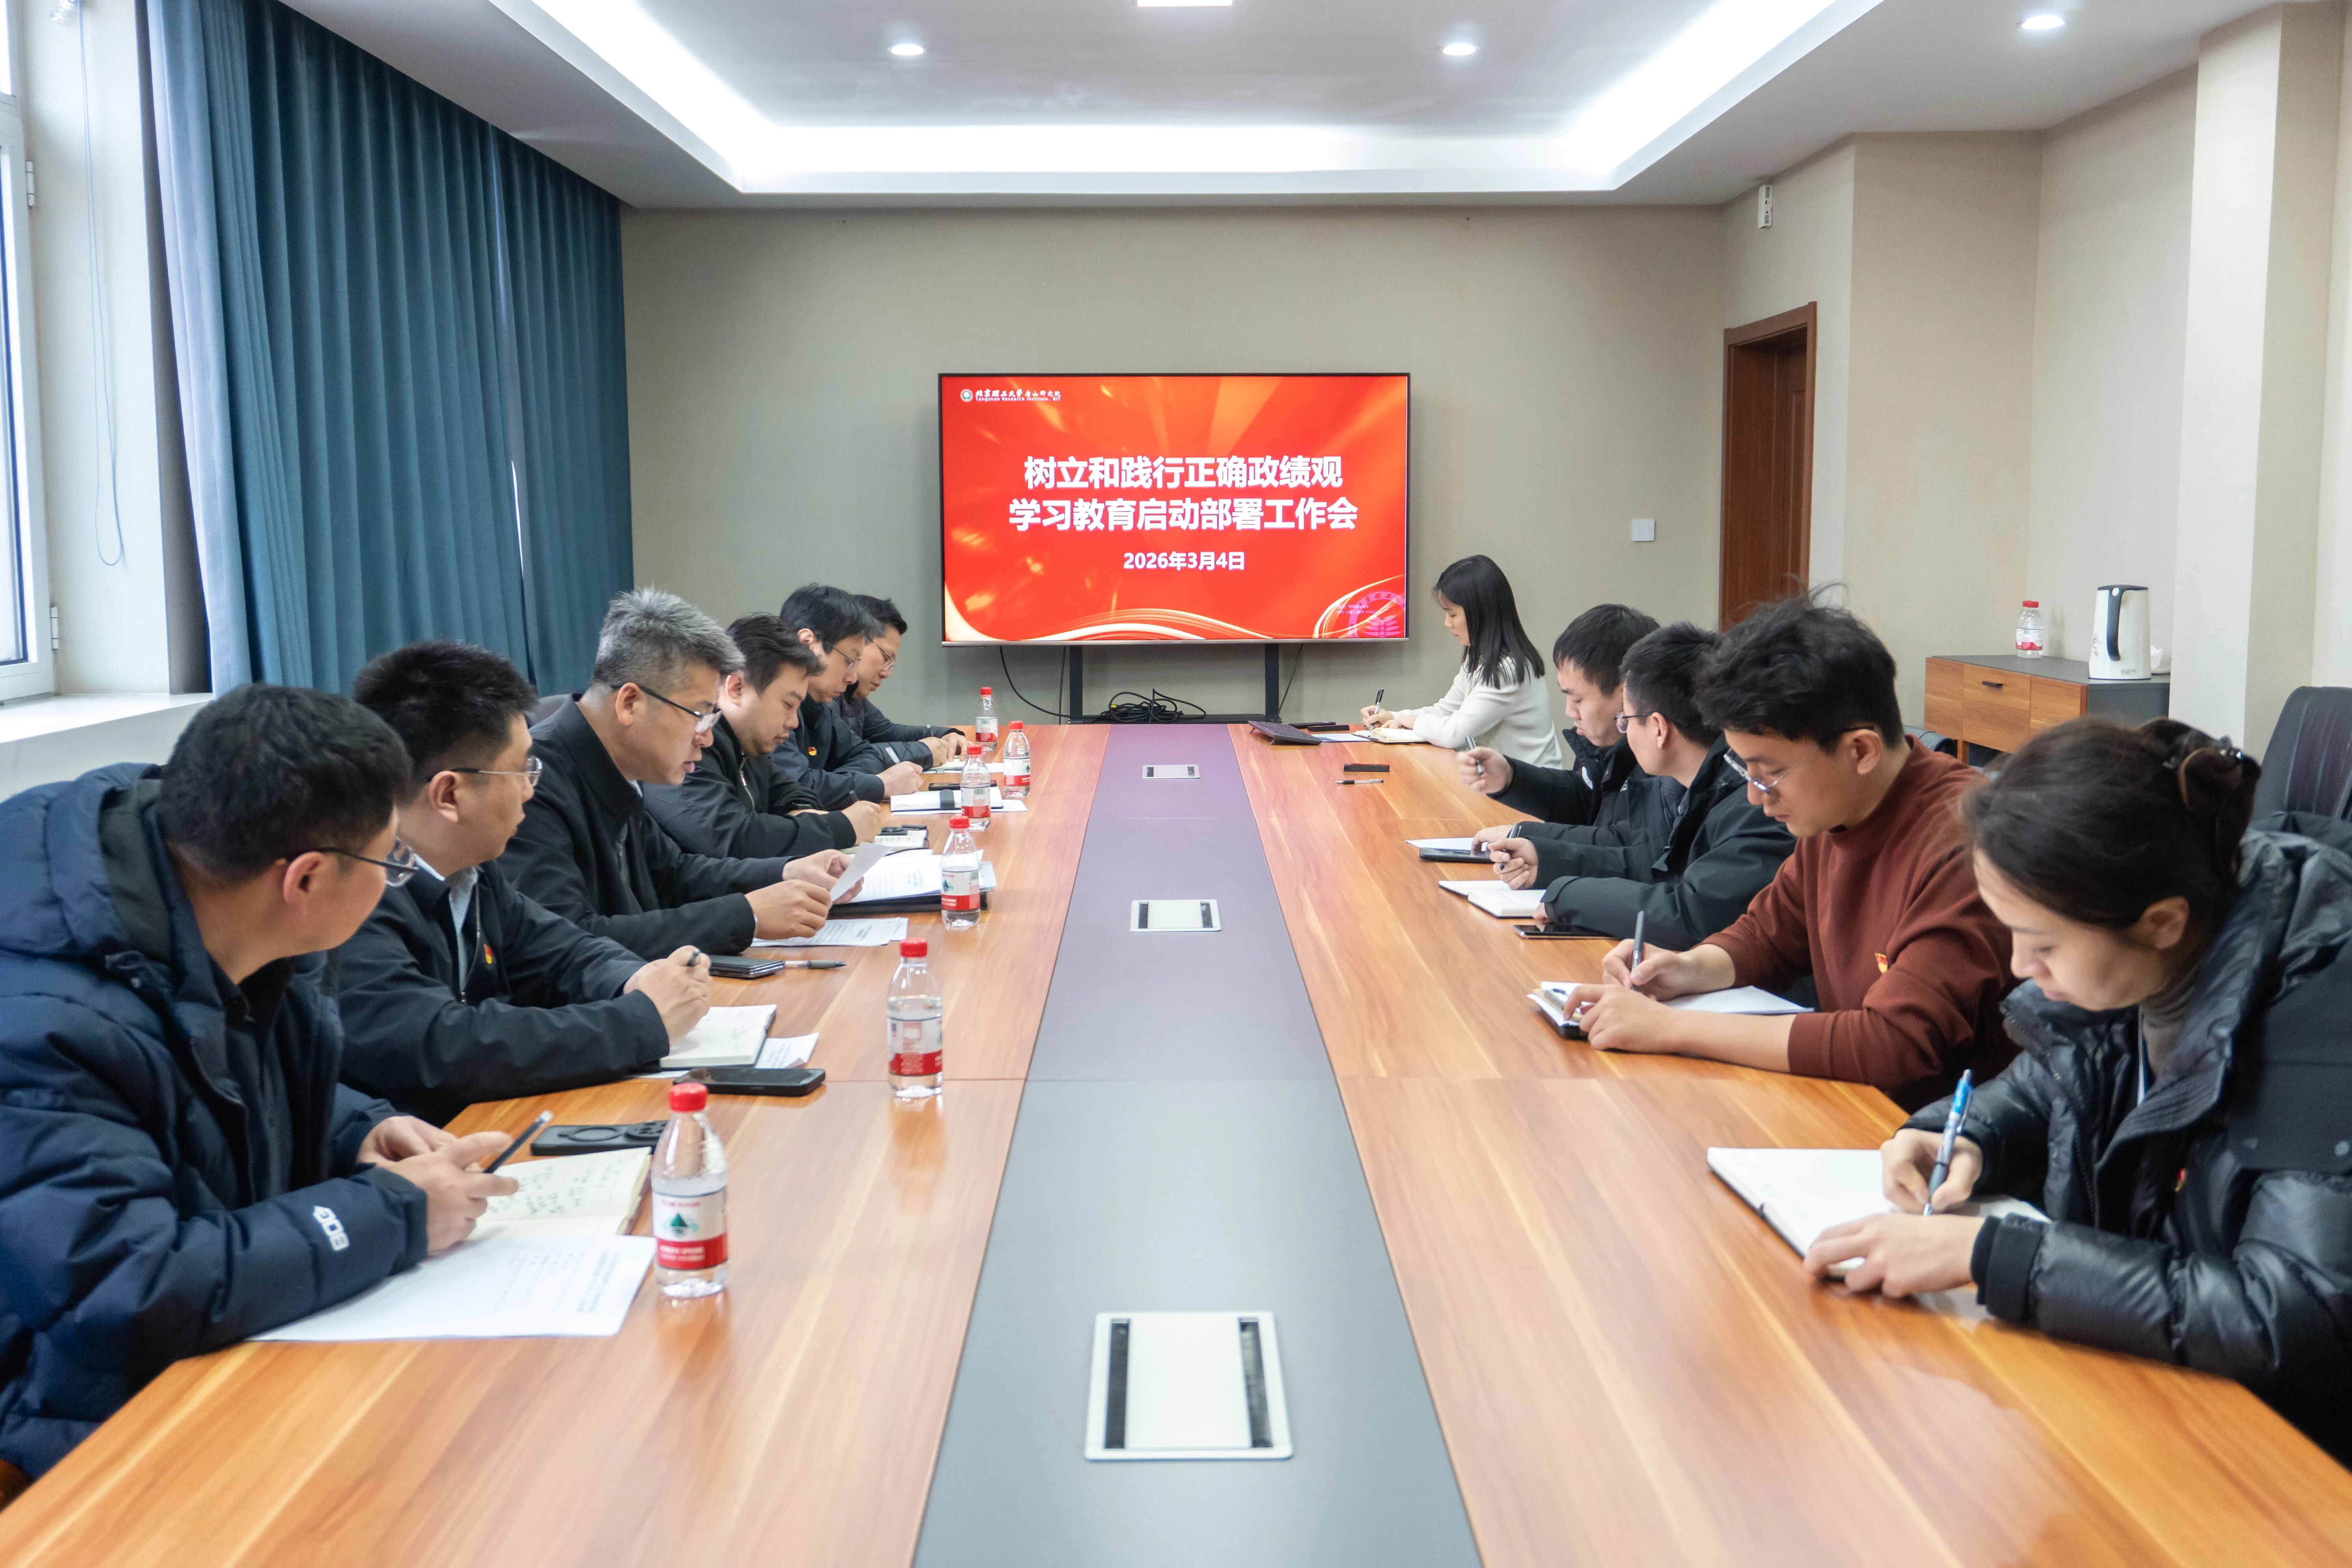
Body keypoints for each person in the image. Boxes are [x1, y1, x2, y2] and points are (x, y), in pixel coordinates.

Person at [0, 685, 520, 1487]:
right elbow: (126, 1287)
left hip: (220, 1354)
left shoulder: (211, 896)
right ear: (305, 880)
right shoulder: (49, 1024)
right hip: (92, 1427)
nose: (395, 882)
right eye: (390, 862)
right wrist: (397, 1213)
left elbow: (209, 1087)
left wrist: (353, 1130)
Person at [1806, 719, 2352, 1464]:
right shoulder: (2139, 937)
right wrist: (1967, 1134)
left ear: (2161, 923)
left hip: (2279, 1456)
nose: (2018, 965)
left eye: (2042, 943)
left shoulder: (2323, 1009)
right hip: (2143, 1389)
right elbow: (2053, 1080)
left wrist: (2001, 1256)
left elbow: (2292, 1312)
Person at [1565, 597, 2016, 1110]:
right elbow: (1768, 935)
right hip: (1847, 1107)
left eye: (1769, 773)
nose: (1755, 796)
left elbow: (1893, 1042)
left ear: (1860, 751)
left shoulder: (1964, 840)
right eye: (1747, 771)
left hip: (1928, 1136)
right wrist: (1685, 969)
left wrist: (1671, 1028)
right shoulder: (1836, 807)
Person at [337, 641, 716, 1124]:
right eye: (520, 770)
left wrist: (635, 979)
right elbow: (444, 1046)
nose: (529, 790)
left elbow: (560, 951)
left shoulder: (472, 870)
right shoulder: (352, 896)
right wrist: (641, 1021)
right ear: (449, 794)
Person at [502, 588, 845, 959]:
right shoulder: (530, 783)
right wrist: (747, 916)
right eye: (699, 715)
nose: (707, 737)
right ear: (630, 703)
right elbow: (567, 942)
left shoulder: (615, 764)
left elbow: (673, 873)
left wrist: (786, 872)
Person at [1487, 624, 1793, 948]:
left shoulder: (1753, 801)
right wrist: (1549, 860)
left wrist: (1570, 896)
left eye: (1627, 720)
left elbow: (1691, 916)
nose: (1625, 733)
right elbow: (1647, 861)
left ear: (1659, 728)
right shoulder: (1681, 786)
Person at [645, 614, 879, 860]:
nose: (794, 722)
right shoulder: (690, 746)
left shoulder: (748, 747)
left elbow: (793, 792)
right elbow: (734, 839)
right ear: (736, 688)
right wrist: (840, 828)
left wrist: (802, 814)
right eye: (788, 704)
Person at [1458, 603, 1662, 849]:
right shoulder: (1605, 746)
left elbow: (1628, 847)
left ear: (1627, 693)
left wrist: (1528, 836)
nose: (1569, 712)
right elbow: (1586, 801)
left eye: (1578, 700)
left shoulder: (1660, 761)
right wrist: (1511, 778)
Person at [1360, 555, 1563, 766]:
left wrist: (1413, 721)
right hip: (1499, 779)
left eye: (1453, 615)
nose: (1447, 623)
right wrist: (1394, 717)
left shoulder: (1507, 669)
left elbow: (1455, 734)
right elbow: (1447, 710)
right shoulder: (1479, 658)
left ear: (1481, 613)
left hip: (1527, 784)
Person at [773, 584, 926, 810]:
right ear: (807, 644)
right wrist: (878, 785)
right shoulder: (769, 708)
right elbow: (796, 789)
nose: (852, 678)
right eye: (849, 661)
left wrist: (846, 784)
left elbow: (865, 753)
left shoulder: (818, 706)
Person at [839, 595, 966, 768]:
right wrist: (921, 751)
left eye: (890, 664)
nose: (886, 674)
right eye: (886, 658)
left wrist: (943, 734)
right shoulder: (826, 696)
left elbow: (885, 732)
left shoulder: (851, 695)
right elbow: (848, 759)